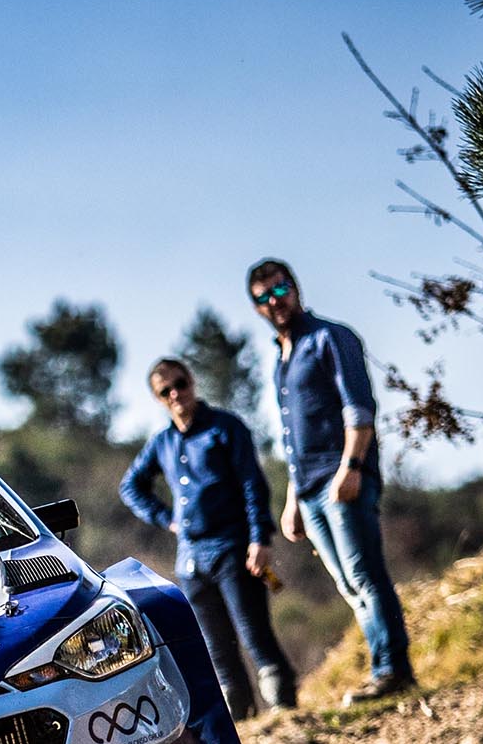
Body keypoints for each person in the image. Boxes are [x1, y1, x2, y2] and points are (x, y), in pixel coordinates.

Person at [248, 259, 412, 702]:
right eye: (264, 297)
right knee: (349, 585)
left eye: (280, 289)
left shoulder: (330, 338)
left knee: (365, 574)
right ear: (257, 308)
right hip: (309, 490)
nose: (275, 301)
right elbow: (293, 440)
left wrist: (351, 467)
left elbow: (359, 408)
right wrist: (292, 500)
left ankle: (393, 670)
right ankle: (383, 669)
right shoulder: (281, 359)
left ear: (295, 288)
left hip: (342, 478)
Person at [119, 356, 296, 715]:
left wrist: (259, 539)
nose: (175, 394)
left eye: (180, 384)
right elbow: (130, 486)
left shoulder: (225, 427)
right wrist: (166, 518)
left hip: (234, 547)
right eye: (165, 391)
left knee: (253, 632)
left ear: (192, 381)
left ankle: (283, 706)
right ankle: (241, 718)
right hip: (190, 558)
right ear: (158, 398)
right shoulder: (162, 443)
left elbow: (252, 485)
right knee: (216, 646)